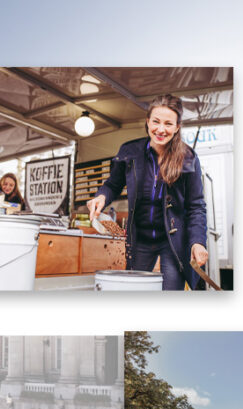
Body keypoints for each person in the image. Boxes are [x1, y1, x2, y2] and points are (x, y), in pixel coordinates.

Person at [88, 94, 208, 291]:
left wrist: (197, 242)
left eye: (168, 124)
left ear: (177, 127)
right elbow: (112, 185)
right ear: (147, 122)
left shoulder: (188, 158)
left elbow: (196, 206)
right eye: (156, 122)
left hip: (172, 242)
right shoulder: (129, 152)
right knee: (134, 293)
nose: (161, 129)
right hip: (139, 239)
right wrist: (101, 197)